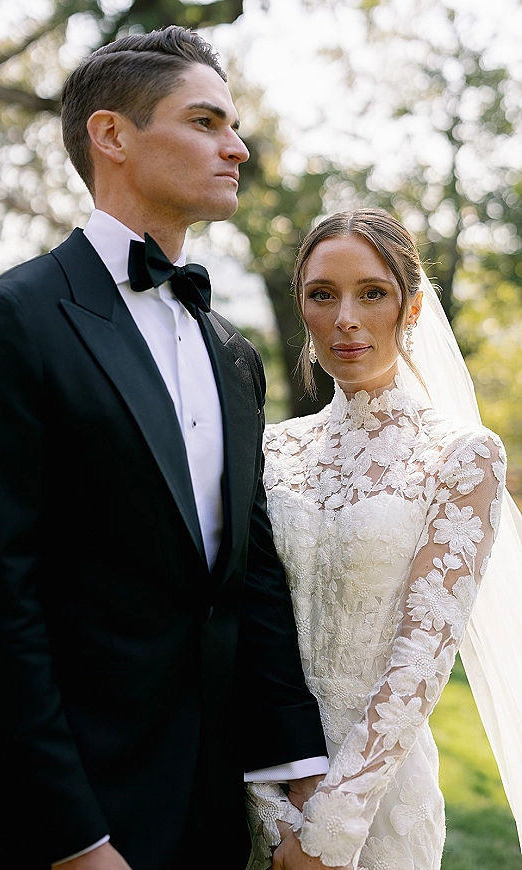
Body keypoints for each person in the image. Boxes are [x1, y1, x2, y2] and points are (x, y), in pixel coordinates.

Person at [0, 26, 330, 870]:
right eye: (206, 121)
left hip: (217, 808)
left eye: (234, 125)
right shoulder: (5, 323)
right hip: (73, 822)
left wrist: (301, 778)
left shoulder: (233, 351)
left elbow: (248, 574)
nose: (239, 146)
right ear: (112, 135)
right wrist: (74, 839)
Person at [245, 208, 522, 870]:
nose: (346, 317)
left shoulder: (461, 455)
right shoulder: (270, 448)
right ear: (303, 308)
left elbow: (423, 658)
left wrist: (328, 833)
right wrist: (270, 807)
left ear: (413, 308)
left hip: (378, 805)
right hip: (258, 786)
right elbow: (244, 626)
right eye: (322, 294)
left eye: (372, 292)